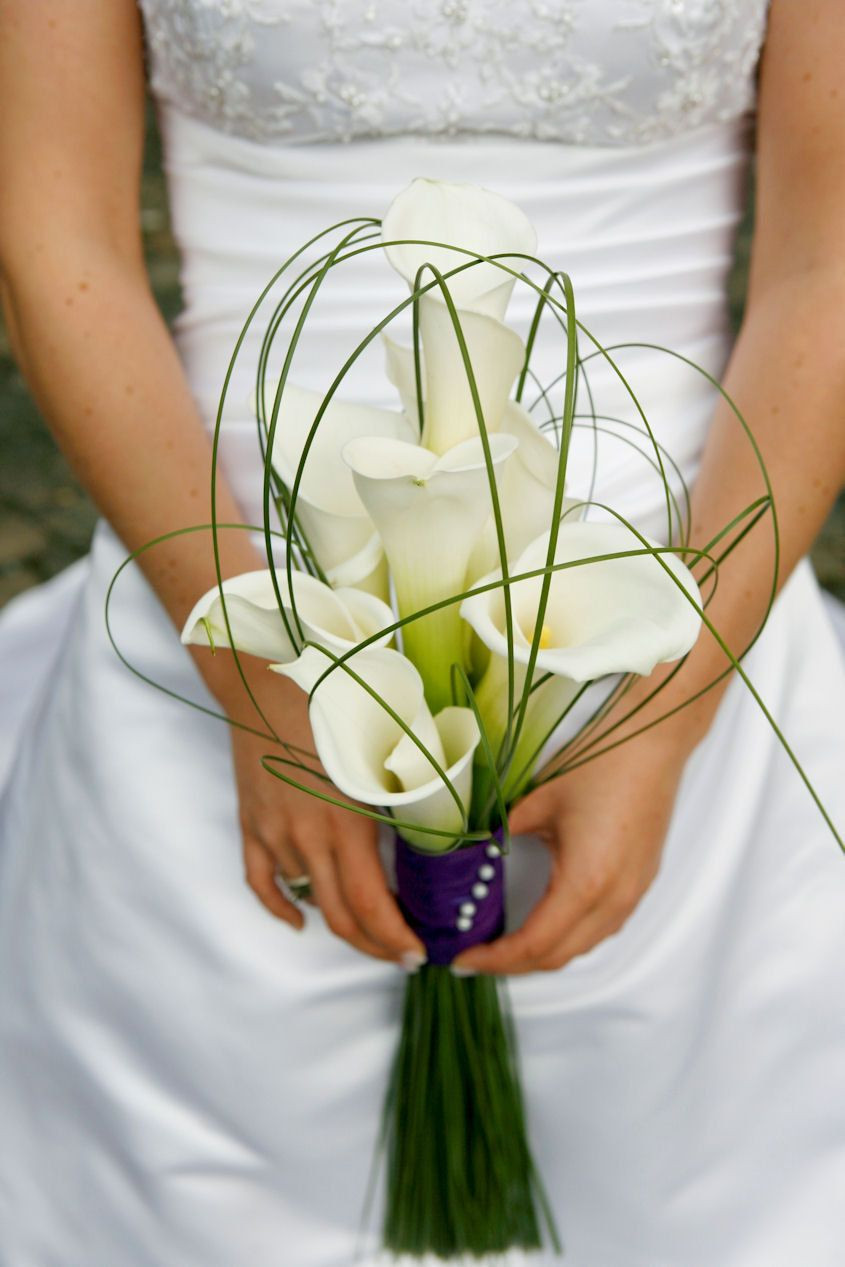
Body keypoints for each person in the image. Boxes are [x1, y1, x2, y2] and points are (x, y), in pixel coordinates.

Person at [1, 1, 844, 1263]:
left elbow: (825, 255)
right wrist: (260, 681)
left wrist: (670, 711)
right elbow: (52, 233)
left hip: (659, 619)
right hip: (235, 598)